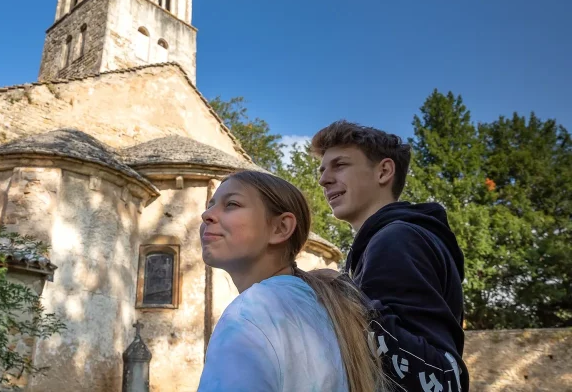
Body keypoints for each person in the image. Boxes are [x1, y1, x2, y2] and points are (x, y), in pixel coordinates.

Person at [311, 120, 468, 392]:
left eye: (340, 165)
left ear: (383, 171)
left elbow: (440, 376)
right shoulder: (396, 238)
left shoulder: (394, 240)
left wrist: (337, 293)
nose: (323, 179)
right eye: (322, 170)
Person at [197, 170, 388, 392]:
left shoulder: (251, 313)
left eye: (231, 204)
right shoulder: (323, 306)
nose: (206, 214)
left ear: (281, 228)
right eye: (211, 204)